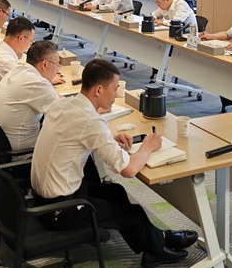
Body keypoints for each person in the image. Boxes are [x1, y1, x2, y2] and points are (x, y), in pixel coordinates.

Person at [31, 59, 198, 267]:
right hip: (60, 211)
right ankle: (155, 250)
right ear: (99, 90)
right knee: (133, 214)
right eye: (114, 88)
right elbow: (129, 170)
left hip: (43, 198)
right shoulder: (90, 121)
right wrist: (148, 146)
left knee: (116, 192)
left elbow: (80, 131)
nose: (116, 94)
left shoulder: (64, 104)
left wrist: (109, 137)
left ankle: (157, 238)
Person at [0, 41, 62, 151]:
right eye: (57, 65)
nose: (57, 70)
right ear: (45, 64)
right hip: (20, 152)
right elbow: (64, 113)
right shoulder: (37, 83)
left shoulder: (17, 70)